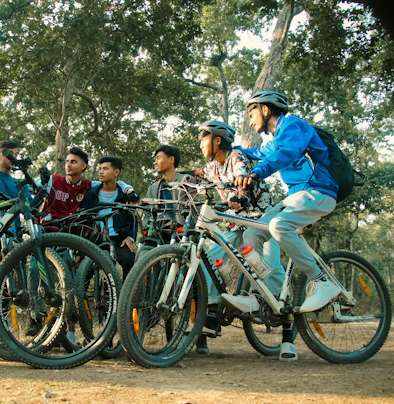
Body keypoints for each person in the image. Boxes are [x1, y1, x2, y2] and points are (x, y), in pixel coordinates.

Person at [233, 90, 342, 359]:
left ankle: (320, 280)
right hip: (297, 196)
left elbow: (285, 153)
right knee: (253, 233)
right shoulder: (276, 138)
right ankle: (264, 294)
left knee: (279, 227)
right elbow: (259, 152)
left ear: (265, 109)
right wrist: (235, 151)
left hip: (319, 191)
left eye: (251, 113)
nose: (250, 120)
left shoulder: (293, 125)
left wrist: (257, 172)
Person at [192, 120, 285, 355]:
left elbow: (241, 177)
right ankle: (212, 312)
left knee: (269, 268)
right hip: (235, 225)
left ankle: (287, 325)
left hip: (260, 221)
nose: (201, 144)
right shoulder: (212, 166)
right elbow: (196, 175)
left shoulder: (236, 157)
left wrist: (240, 195)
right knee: (207, 262)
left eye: (204, 139)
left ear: (217, 140)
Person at [39, 146, 134, 223]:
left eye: (73, 162)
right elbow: (27, 186)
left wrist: (128, 190)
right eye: (67, 161)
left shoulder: (88, 184)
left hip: (72, 236)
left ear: (84, 166)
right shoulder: (53, 180)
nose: (68, 165)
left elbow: (115, 183)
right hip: (48, 232)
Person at [80, 156, 138, 280]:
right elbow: (83, 217)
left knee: (130, 260)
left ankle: (125, 295)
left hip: (119, 238)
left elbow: (133, 218)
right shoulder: (91, 194)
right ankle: (82, 296)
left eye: (105, 169)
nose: (101, 172)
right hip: (96, 238)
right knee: (84, 268)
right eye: (100, 168)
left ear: (116, 172)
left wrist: (130, 237)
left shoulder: (124, 195)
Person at [146, 145, 194, 227]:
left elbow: (195, 210)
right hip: (159, 234)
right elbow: (147, 215)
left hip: (182, 233)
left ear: (171, 159)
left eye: (159, 158)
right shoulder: (153, 188)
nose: (155, 162)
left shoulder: (186, 181)